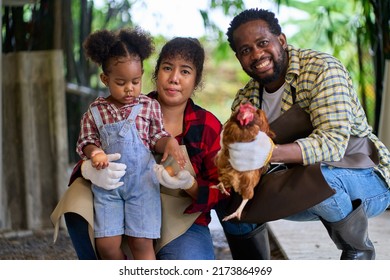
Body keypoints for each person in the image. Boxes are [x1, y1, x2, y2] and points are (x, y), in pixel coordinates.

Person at [52, 36, 270, 260]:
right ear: (156, 73)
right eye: (167, 68)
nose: (174, 78)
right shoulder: (123, 108)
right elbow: (91, 149)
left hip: (182, 224)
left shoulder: (207, 126)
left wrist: (190, 185)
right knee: (76, 200)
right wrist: (90, 167)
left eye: (185, 71)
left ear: (196, 81)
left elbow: (223, 189)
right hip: (123, 213)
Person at [222, 8, 390, 260]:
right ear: (239, 57)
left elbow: (333, 144)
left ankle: (358, 251)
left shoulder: (322, 69)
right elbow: (239, 159)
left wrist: (268, 152)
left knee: (318, 178)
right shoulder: (246, 99)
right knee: (231, 202)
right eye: (246, 50)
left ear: (281, 41)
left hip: (363, 178)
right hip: (301, 184)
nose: (257, 54)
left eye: (262, 43)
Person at [75, 27, 185, 260]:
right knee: (106, 245)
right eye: (121, 82)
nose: (129, 88)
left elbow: (156, 138)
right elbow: (86, 140)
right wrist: (94, 152)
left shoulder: (148, 106)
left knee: (142, 243)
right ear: (105, 79)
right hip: (108, 187)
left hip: (142, 186)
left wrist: (169, 143)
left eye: (136, 81)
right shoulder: (95, 111)